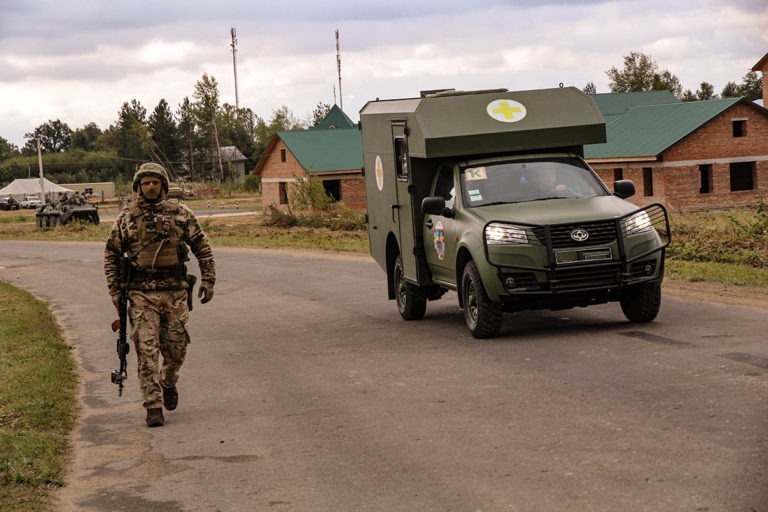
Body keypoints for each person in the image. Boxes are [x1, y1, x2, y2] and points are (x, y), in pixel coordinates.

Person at [104, 162, 216, 427]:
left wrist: (209, 280)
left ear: (163, 185)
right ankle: (152, 405)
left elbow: (202, 246)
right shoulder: (127, 218)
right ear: (138, 186)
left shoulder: (181, 214)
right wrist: (115, 290)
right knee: (147, 351)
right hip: (141, 295)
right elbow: (111, 254)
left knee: (176, 350)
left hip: (175, 292)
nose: (150, 186)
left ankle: (168, 381)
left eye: (155, 182)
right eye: (146, 183)